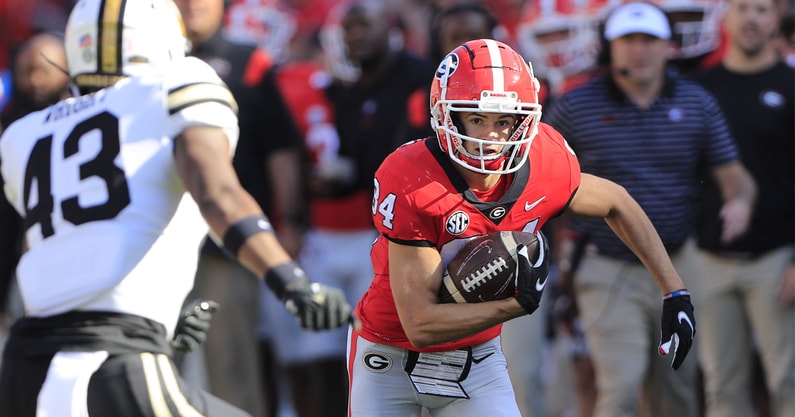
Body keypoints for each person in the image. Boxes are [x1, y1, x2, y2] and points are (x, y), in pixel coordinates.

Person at [0, 1, 351, 416]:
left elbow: (74, 242)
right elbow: (217, 193)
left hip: (25, 367)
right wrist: (291, 283)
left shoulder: (23, 133)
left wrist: (162, 314)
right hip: (115, 359)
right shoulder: (176, 83)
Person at [347, 37, 697, 417]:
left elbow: (617, 201)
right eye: (476, 119)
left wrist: (673, 291)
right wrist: (516, 304)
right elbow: (421, 324)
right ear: (447, 115)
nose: (490, 137)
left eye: (503, 121)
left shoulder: (545, 161)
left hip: (475, 359)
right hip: (388, 355)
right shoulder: (412, 176)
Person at [541, 2, 757, 417]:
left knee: (676, 390)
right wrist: (560, 246)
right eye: (627, 40)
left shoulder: (697, 102)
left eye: (648, 40)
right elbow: (542, 181)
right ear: (610, 47)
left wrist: (741, 202)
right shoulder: (575, 105)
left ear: (667, 48)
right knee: (620, 387)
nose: (638, 50)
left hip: (679, 264)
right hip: (607, 265)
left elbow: (735, 178)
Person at [173, 0, 308, 414]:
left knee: (230, 363)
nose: (192, 3)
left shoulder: (248, 61)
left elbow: (280, 149)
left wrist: (291, 221)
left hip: (224, 241)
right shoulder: (150, 61)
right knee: (153, 364)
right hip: (159, 240)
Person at [689, 0, 795, 415]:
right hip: (709, 258)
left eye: (762, 9)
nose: (751, 17)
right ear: (725, 15)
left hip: (776, 258)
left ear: (774, 19)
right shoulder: (700, 88)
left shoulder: (790, 85)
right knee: (721, 386)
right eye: (742, 7)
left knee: (787, 380)